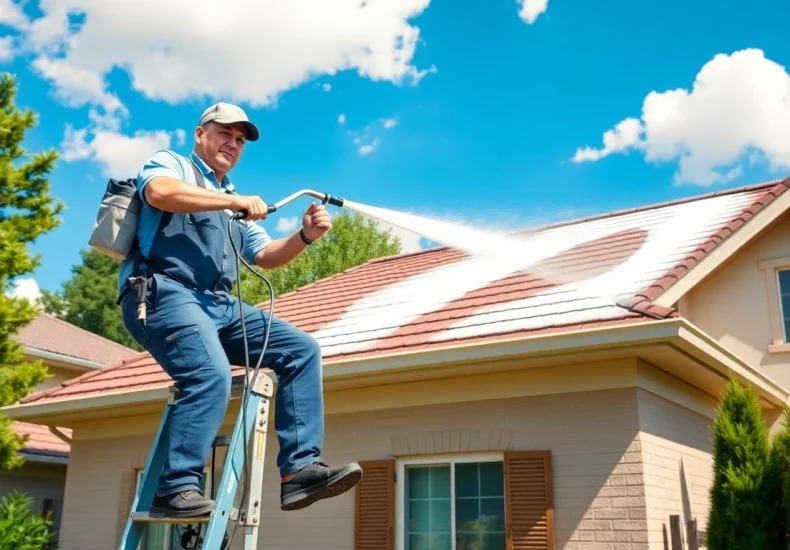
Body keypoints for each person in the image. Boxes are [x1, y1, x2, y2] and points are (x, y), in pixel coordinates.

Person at [118, 101, 362, 518]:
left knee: (302, 350)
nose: (232, 143)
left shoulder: (233, 200)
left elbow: (266, 255)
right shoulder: (172, 164)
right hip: (164, 293)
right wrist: (228, 202)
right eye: (224, 134)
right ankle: (174, 489)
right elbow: (159, 193)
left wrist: (305, 236)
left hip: (217, 304)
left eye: (240, 140)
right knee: (209, 373)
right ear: (201, 134)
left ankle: (299, 471)